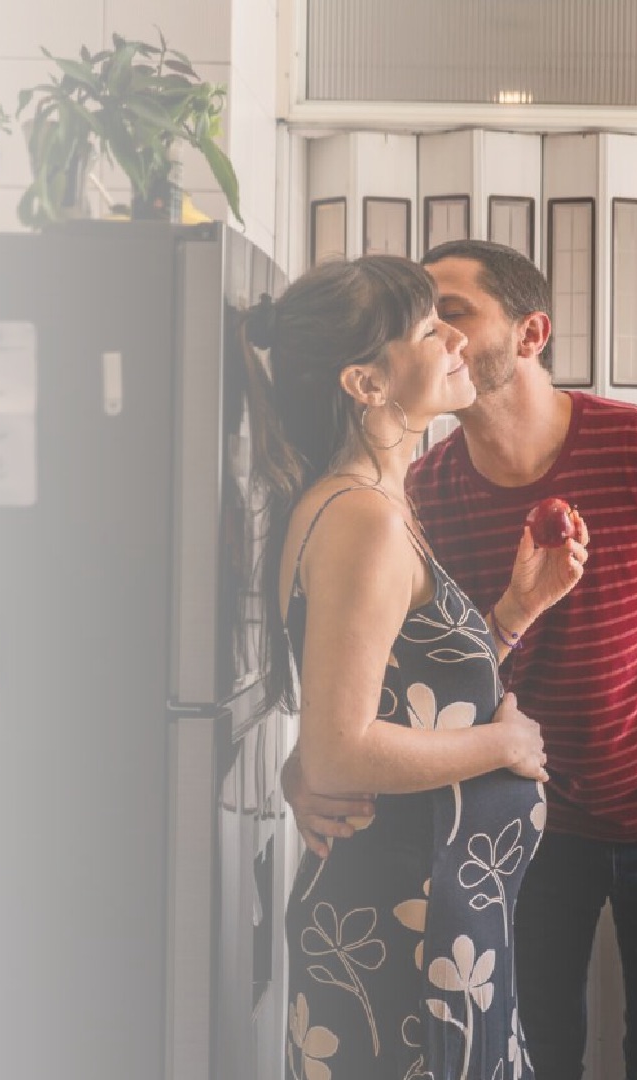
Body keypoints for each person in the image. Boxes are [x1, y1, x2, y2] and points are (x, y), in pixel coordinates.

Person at [286, 240, 637, 1080]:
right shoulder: (418, 494)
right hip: (529, 832)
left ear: (530, 333)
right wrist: (311, 763)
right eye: (424, 320)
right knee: (537, 1049)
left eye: (455, 313)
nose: (439, 333)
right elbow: (381, 681)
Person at [245, 255, 589, 1080]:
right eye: (430, 329)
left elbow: (406, 696)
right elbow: (339, 750)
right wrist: (504, 749)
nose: (456, 343)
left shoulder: (378, 502)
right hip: (403, 933)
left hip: (432, 924)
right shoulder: (360, 516)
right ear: (366, 382)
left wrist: (513, 614)